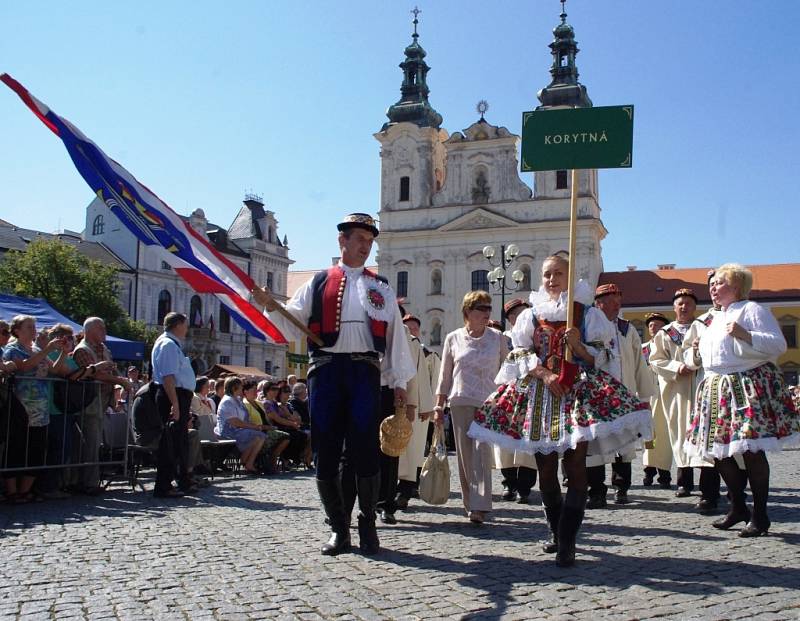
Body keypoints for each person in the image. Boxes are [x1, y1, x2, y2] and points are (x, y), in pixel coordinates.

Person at [467, 254, 652, 566]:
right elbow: (520, 354)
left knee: (576, 465)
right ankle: (555, 530)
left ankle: (568, 540)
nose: (551, 280)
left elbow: (605, 358)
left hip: (577, 392)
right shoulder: (531, 315)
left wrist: (579, 346)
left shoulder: (588, 314)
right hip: (541, 396)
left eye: (558, 274)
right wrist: (544, 374)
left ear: (570, 277)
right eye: (547, 274)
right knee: (546, 469)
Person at [252, 212, 415, 556]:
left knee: (365, 449)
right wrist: (270, 307)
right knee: (327, 451)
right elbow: (292, 323)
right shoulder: (319, 281)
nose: (365, 247)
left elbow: (397, 336)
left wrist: (399, 380)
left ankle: (367, 525)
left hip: (365, 371)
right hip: (325, 370)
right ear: (342, 241)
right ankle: (339, 529)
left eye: (370, 242)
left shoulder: (381, 286)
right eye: (359, 240)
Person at [686, 264, 800, 536]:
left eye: (719, 283)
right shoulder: (712, 319)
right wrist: (698, 352)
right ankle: (738, 506)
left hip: (744, 387)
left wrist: (745, 334)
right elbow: (709, 356)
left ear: (736, 286)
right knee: (717, 452)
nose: (713, 288)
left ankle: (760, 516)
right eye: (711, 284)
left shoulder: (753, 310)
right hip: (715, 389)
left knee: (751, 452)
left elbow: (778, 345)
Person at [433, 290, 508, 524]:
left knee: (482, 453)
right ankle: (470, 503)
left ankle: (481, 504)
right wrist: (438, 405)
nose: (487, 313)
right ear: (468, 312)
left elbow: (507, 371)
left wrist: (506, 400)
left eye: (489, 308)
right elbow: (445, 374)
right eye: (482, 308)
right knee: (465, 455)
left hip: (489, 402)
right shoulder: (453, 338)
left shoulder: (499, 338)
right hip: (460, 400)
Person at [649, 289, 720, 510]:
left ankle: (709, 486)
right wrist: (676, 367)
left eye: (688, 303)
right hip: (676, 388)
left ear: (694, 307)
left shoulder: (705, 326)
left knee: (706, 433)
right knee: (679, 432)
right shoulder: (666, 333)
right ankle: (684, 481)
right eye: (680, 303)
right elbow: (656, 360)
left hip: (701, 385)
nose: (684, 307)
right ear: (674, 307)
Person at [586, 284, 655, 507]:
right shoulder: (590, 326)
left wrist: (644, 394)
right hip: (596, 396)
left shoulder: (627, 329)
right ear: (599, 303)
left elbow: (639, 362)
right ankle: (596, 490)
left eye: (619, 299)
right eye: (611, 299)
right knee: (595, 444)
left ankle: (621, 487)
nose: (617, 303)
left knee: (623, 445)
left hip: (624, 394)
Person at [1, 315, 62, 503]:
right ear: (17, 330)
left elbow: (56, 370)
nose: (33, 330)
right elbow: (25, 366)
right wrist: (48, 349)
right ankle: (12, 491)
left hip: (40, 408)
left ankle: (25, 490)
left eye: (34, 327)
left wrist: (62, 352)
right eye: (29, 327)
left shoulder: (36, 349)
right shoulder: (13, 349)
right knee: (16, 448)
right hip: (20, 406)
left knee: (37, 449)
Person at [70, 316, 130, 495]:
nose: (104, 331)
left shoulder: (104, 349)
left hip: (103, 401)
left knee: (96, 443)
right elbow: (93, 374)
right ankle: (88, 482)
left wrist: (119, 379)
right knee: (90, 442)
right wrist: (119, 380)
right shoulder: (82, 350)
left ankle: (91, 479)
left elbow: (110, 369)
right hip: (89, 402)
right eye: (100, 328)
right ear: (88, 331)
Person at [493, 298, 538, 504]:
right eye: (520, 314)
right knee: (505, 443)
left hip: (531, 395)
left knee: (528, 443)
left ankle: (525, 487)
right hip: (507, 397)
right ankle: (509, 484)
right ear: (511, 318)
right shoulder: (501, 339)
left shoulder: (537, 339)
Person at [150, 312, 197, 498]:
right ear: (177, 325)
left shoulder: (172, 344)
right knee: (169, 443)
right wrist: (175, 405)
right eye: (185, 324)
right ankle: (163, 485)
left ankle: (178, 480)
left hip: (177, 395)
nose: (187, 328)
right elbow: (168, 378)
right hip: (173, 395)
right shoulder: (168, 345)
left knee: (178, 442)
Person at [641, 312, 673, 488]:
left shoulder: (669, 347)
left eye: (659, 325)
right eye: (652, 325)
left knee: (665, 434)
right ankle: (648, 470)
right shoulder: (643, 348)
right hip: (648, 394)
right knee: (649, 435)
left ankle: (664, 473)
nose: (654, 328)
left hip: (665, 393)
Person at [214, 377, 268, 474]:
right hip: (229, 431)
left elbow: (245, 418)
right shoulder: (227, 401)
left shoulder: (238, 400)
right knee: (257, 435)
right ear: (235, 387)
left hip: (239, 429)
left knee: (260, 436)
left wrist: (255, 426)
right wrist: (253, 427)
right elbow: (234, 422)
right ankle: (246, 462)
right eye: (241, 386)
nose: (242, 388)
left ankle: (248, 463)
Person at [260, 381, 311, 468]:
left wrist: (288, 415)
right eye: (273, 389)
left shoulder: (276, 403)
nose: (276, 391)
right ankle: (286, 459)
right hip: (274, 427)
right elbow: (277, 418)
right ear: (267, 390)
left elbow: (293, 417)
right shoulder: (267, 403)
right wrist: (292, 423)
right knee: (294, 436)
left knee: (302, 435)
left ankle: (299, 458)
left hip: (283, 426)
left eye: (277, 389)